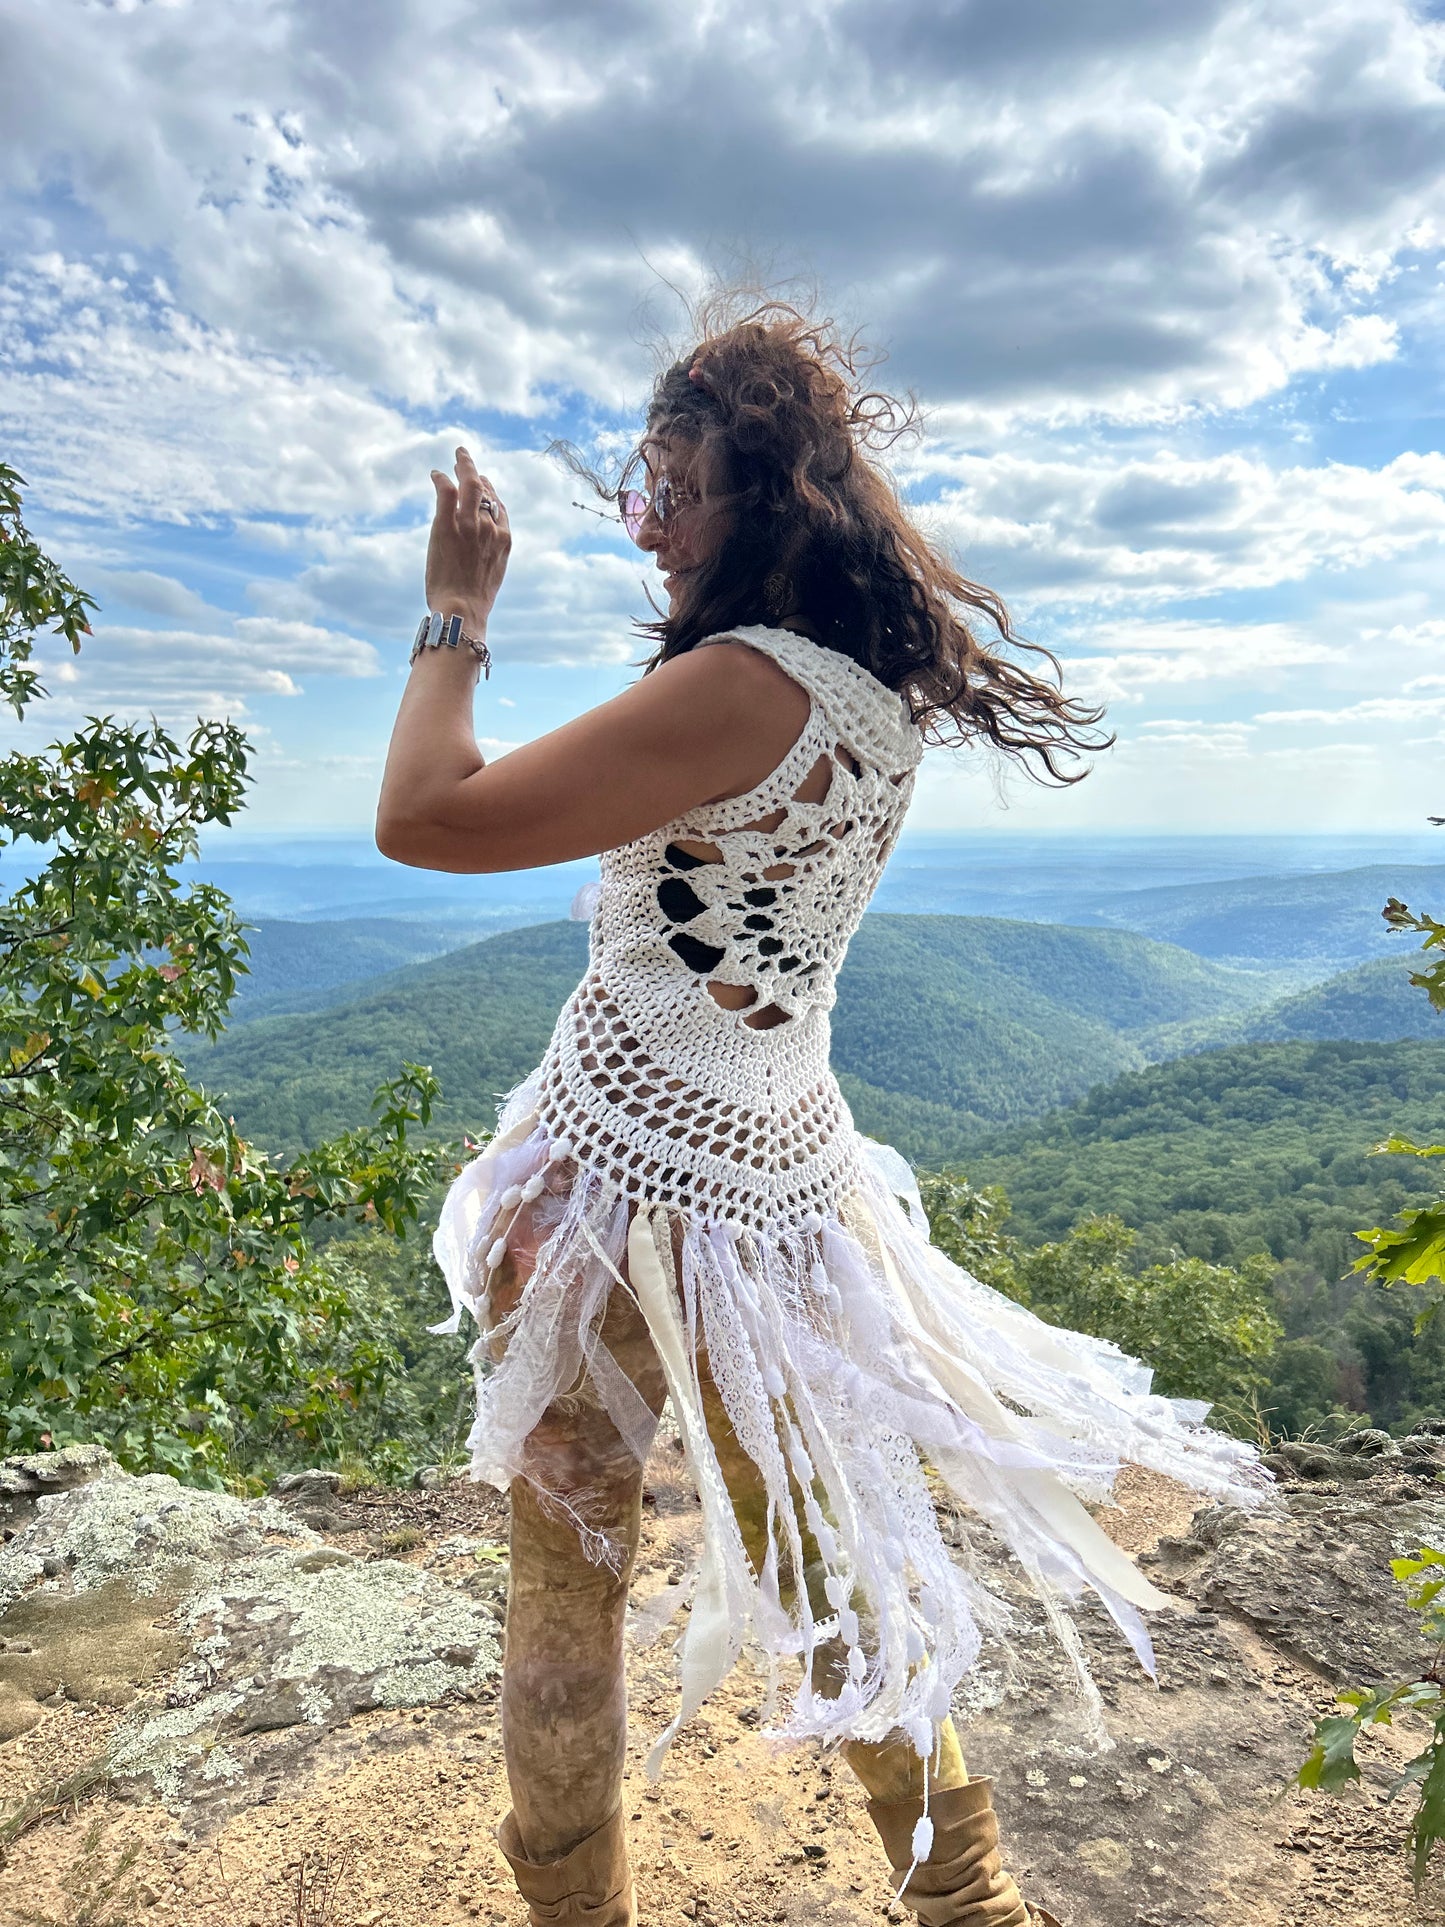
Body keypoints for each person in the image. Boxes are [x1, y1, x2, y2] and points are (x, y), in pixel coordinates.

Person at [375, 304, 1271, 1927]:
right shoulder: (867, 704)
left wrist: (453, 615)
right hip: (777, 1186)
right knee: (828, 1556)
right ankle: (966, 1896)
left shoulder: (735, 684)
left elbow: (424, 819)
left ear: (753, 496)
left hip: (616, 1192)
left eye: (670, 490)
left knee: (562, 1588)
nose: (652, 528)